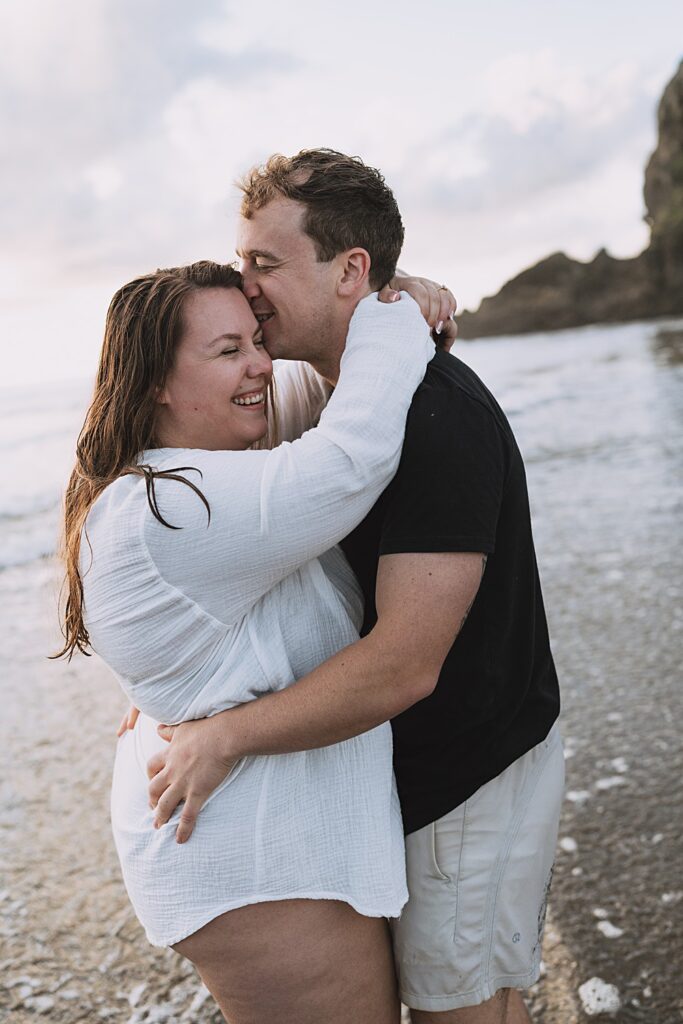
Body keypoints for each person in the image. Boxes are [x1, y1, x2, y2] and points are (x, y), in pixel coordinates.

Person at [145, 150, 564, 1024]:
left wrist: (225, 736)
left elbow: (404, 664)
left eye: (264, 262)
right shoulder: (325, 395)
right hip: (399, 779)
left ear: (350, 270)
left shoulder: (435, 418)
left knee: (466, 1008)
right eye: (241, 259)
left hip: (470, 777)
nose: (244, 283)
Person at [56, 257, 441, 1024]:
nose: (260, 364)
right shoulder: (172, 506)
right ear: (155, 383)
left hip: (267, 846)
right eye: (227, 351)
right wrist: (394, 318)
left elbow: (327, 377)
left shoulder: (200, 472)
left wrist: (386, 291)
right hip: (257, 865)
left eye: (256, 340)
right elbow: (349, 460)